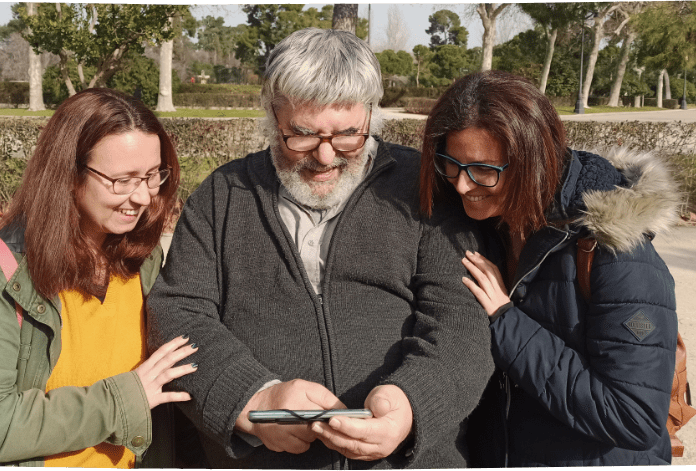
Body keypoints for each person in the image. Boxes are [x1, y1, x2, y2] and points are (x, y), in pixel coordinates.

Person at [146, 28, 493, 469]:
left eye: (350, 135)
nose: (327, 157)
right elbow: (178, 313)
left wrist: (411, 404)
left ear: (372, 115)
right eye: (304, 135)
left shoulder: (424, 187)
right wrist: (253, 399)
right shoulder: (224, 195)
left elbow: (461, 321)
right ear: (272, 116)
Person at [419, 70, 679, 467]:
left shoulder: (617, 254)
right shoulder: (489, 221)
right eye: (450, 165)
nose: (462, 185)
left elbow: (635, 417)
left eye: (483, 170)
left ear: (532, 162)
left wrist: (506, 321)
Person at [0, 88, 196, 468]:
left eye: (152, 176)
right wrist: (121, 400)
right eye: (122, 180)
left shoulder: (144, 262)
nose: (142, 197)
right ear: (69, 175)